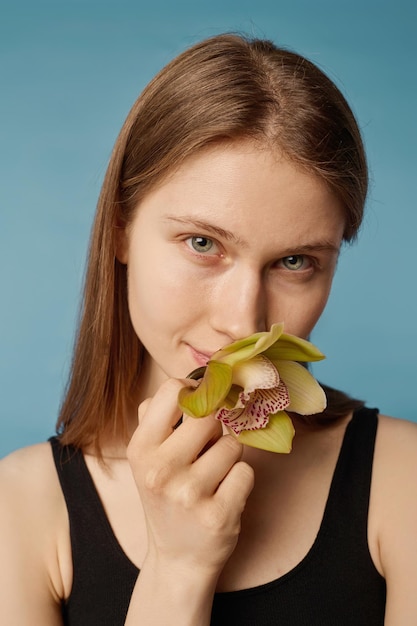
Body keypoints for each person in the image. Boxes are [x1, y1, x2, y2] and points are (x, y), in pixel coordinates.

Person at [0, 32, 416, 626]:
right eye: (203, 244)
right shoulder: (19, 507)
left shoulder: (405, 479)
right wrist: (178, 568)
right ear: (120, 230)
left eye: (295, 262)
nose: (242, 321)